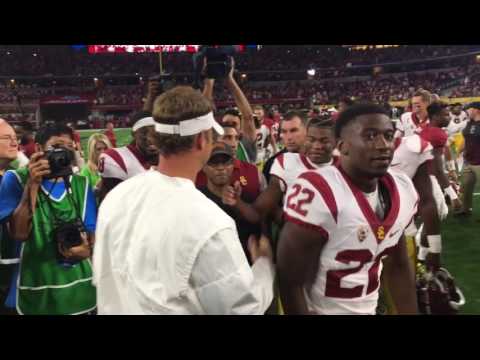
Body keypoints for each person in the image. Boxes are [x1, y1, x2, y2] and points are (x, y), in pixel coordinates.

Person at [93, 86, 275, 315]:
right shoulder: (208, 220)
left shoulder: (117, 197)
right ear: (201, 140)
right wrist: (264, 267)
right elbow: (242, 310)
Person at [277, 104, 418, 315]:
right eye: (370, 136)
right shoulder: (319, 191)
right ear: (343, 146)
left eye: (388, 136)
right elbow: (290, 280)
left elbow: (397, 263)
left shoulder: (403, 187)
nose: (383, 145)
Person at [0, 123, 97, 315]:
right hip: (34, 286)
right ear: (38, 149)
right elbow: (18, 233)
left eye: (69, 147)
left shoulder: (81, 183)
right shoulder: (15, 179)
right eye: (57, 147)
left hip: (79, 287)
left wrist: (86, 249)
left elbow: (92, 234)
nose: (64, 153)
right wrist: (33, 184)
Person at [199, 142, 261, 263]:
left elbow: (257, 224)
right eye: (213, 162)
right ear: (204, 167)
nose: (220, 168)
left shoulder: (245, 197)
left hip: (244, 265)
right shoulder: (197, 198)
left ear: (233, 165)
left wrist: (238, 203)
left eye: (225, 162)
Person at [202, 59, 257, 164]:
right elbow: (203, 115)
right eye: (227, 124)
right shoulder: (209, 148)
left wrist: (230, 79)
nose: (230, 127)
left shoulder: (245, 147)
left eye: (234, 124)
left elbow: (248, 117)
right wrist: (208, 83)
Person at [97, 112, 159, 201]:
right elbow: (108, 201)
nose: (150, 138)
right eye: (144, 133)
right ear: (134, 134)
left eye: (155, 133)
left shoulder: (172, 157)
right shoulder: (115, 158)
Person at [0, 119, 19, 314]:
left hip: (13, 269)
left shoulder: (14, 175)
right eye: (7, 138)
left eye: (15, 138)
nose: (15, 143)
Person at [262, 111, 308, 184]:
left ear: (307, 131)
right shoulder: (272, 164)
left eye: (294, 131)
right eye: (284, 131)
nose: (289, 137)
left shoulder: (320, 160)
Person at [456, 102, 480, 217]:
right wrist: (459, 150)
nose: (467, 112)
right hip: (468, 161)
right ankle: (465, 209)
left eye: (469, 109)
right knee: (465, 187)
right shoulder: (469, 123)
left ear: (476, 110)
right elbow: (466, 139)